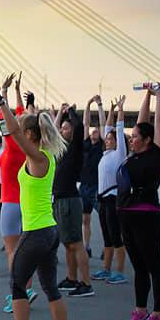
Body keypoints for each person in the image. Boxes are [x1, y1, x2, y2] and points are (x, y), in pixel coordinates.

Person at [0, 81, 72, 320]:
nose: (17, 136)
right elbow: (28, 124)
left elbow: (13, 130)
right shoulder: (46, 155)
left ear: (29, 135)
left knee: (16, 283)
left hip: (37, 232)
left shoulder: (37, 157)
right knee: (49, 287)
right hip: (49, 231)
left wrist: (1, 101)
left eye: (24, 133)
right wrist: (29, 107)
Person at [119, 83, 160, 320]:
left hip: (148, 217)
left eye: (136, 136)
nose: (132, 138)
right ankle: (140, 311)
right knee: (139, 267)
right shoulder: (134, 156)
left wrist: (159, 96)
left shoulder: (157, 154)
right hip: (127, 216)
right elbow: (141, 122)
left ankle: (158, 314)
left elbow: (156, 123)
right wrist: (146, 96)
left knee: (154, 266)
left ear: (148, 140)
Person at [0, 75, 38, 313]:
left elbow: (7, 117)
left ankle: (17, 293)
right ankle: (27, 289)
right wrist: (17, 91)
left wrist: (3, 91)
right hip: (26, 203)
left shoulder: (12, 144)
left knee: (13, 251)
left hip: (11, 204)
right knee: (24, 251)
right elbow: (22, 116)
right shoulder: (28, 147)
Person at [54, 103, 93, 297]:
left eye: (66, 128)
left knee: (76, 243)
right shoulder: (61, 149)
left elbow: (79, 127)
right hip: (60, 200)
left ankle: (86, 283)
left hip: (70, 200)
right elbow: (50, 133)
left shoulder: (76, 146)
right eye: (62, 128)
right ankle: (71, 279)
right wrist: (60, 115)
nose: (63, 131)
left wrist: (70, 111)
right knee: (67, 243)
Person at [91, 95, 128, 285]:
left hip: (114, 200)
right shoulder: (105, 154)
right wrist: (109, 109)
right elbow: (108, 127)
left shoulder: (119, 154)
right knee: (107, 236)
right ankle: (106, 269)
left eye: (110, 139)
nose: (107, 140)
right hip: (103, 200)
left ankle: (119, 272)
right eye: (106, 139)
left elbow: (117, 130)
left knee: (116, 237)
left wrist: (120, 110)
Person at [80, 96, 106, 258]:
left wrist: (100, 105)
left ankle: (107, 246)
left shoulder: (102, 146)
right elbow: (86, 124)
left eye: (97, 131)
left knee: (104, 219)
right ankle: (86, 247)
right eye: (93, 131)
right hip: (84, 186)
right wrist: (88, 104)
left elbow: (103, 123)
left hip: (97, 187)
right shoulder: (86, 144)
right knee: (85, 220)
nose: (94, 131)